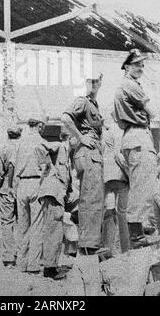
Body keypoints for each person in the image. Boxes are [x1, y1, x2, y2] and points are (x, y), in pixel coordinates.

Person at [114, 49, 160, 248]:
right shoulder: (130, 85)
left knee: (141, 185)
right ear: (126, 66)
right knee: (143, 186)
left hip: (132, 136)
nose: (141, 68)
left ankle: (141, 233)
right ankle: (138, 236)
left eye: (142, 65)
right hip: (139, 136)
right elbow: (153, 113)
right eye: (137, 65)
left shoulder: (124, 86)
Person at [61, 72, 105, 256]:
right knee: (91, 197)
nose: (93, 84)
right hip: (87, 153)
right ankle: (88, 245)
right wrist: (81, 138)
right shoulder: (82, 101)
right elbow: (65, 118)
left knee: (93, 197)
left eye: (96, 81)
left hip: (92, 153)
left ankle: (89, 242)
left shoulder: (93, 104)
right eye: (90, 81)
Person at [12, 117, 50, 274]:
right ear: (40, 126)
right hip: (35, 182)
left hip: (21, 183)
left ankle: (21, 263)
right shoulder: (42, 142)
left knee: (22, 226)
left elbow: (14, 165)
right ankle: (33, 264)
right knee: (36, 225)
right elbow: (46, 166)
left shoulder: (20, 142)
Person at [38, 128, 72, 280]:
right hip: (52, 193)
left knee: (55, 231)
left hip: (56, 194)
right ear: (69, 138)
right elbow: (45, 147)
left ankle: (50, 265)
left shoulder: (67, 153)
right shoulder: (60, 146)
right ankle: (49, 269)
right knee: (53, 232)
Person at [0, 126, 22, 267]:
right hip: (22, 188)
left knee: (7, 223)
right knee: (23, 222)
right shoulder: (24, 148)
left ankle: (9, 257)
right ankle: (22, 255)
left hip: (6, 189)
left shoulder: (4, 150)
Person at [102, 111, 130, 254]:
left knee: (108, 213)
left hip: (106, 176)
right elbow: (119, 155)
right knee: (122, 214)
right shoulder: (118, 131)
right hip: (119, 176)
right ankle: (125, 249)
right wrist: (130, 174)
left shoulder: (104, 133)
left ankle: (108, 247)